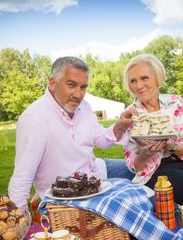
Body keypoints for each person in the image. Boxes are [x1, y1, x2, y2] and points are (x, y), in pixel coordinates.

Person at [8, 56, 134, 210]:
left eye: (83, 87)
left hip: (98, 171)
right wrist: (20, 222)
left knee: (148, 170)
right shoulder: (34, 118)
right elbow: (21, 178)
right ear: (53, 83)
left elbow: (100, 139)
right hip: (69, 195)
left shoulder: (85, 107)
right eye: (71, 85)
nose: (79, 94)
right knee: (131, 205)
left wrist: (119, 127)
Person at [121, 54, 183, 209]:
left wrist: (168, 145)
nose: (138, 85)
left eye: (144, 78)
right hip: (157, 172)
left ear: (157, 78)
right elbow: (132, 165)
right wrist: (144, 154)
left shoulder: (175, 102)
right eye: (133, 81)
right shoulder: (130, 115)